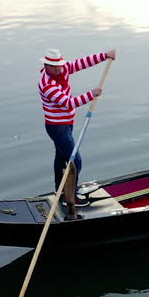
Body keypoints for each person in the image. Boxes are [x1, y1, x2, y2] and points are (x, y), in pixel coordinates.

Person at [39, 47, 116, 218]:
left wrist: (104, 55)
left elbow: (81, 63)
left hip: (67, 123)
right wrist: (92, 94)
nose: (59, 69)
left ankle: (60, 191)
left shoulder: (63, 69)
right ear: (46, 66)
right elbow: (68, 103)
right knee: (76, 160)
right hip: (56, 127)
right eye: (54, 66)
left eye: (59, 65)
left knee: (61, 157)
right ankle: (70, 196)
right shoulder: (47, 84)